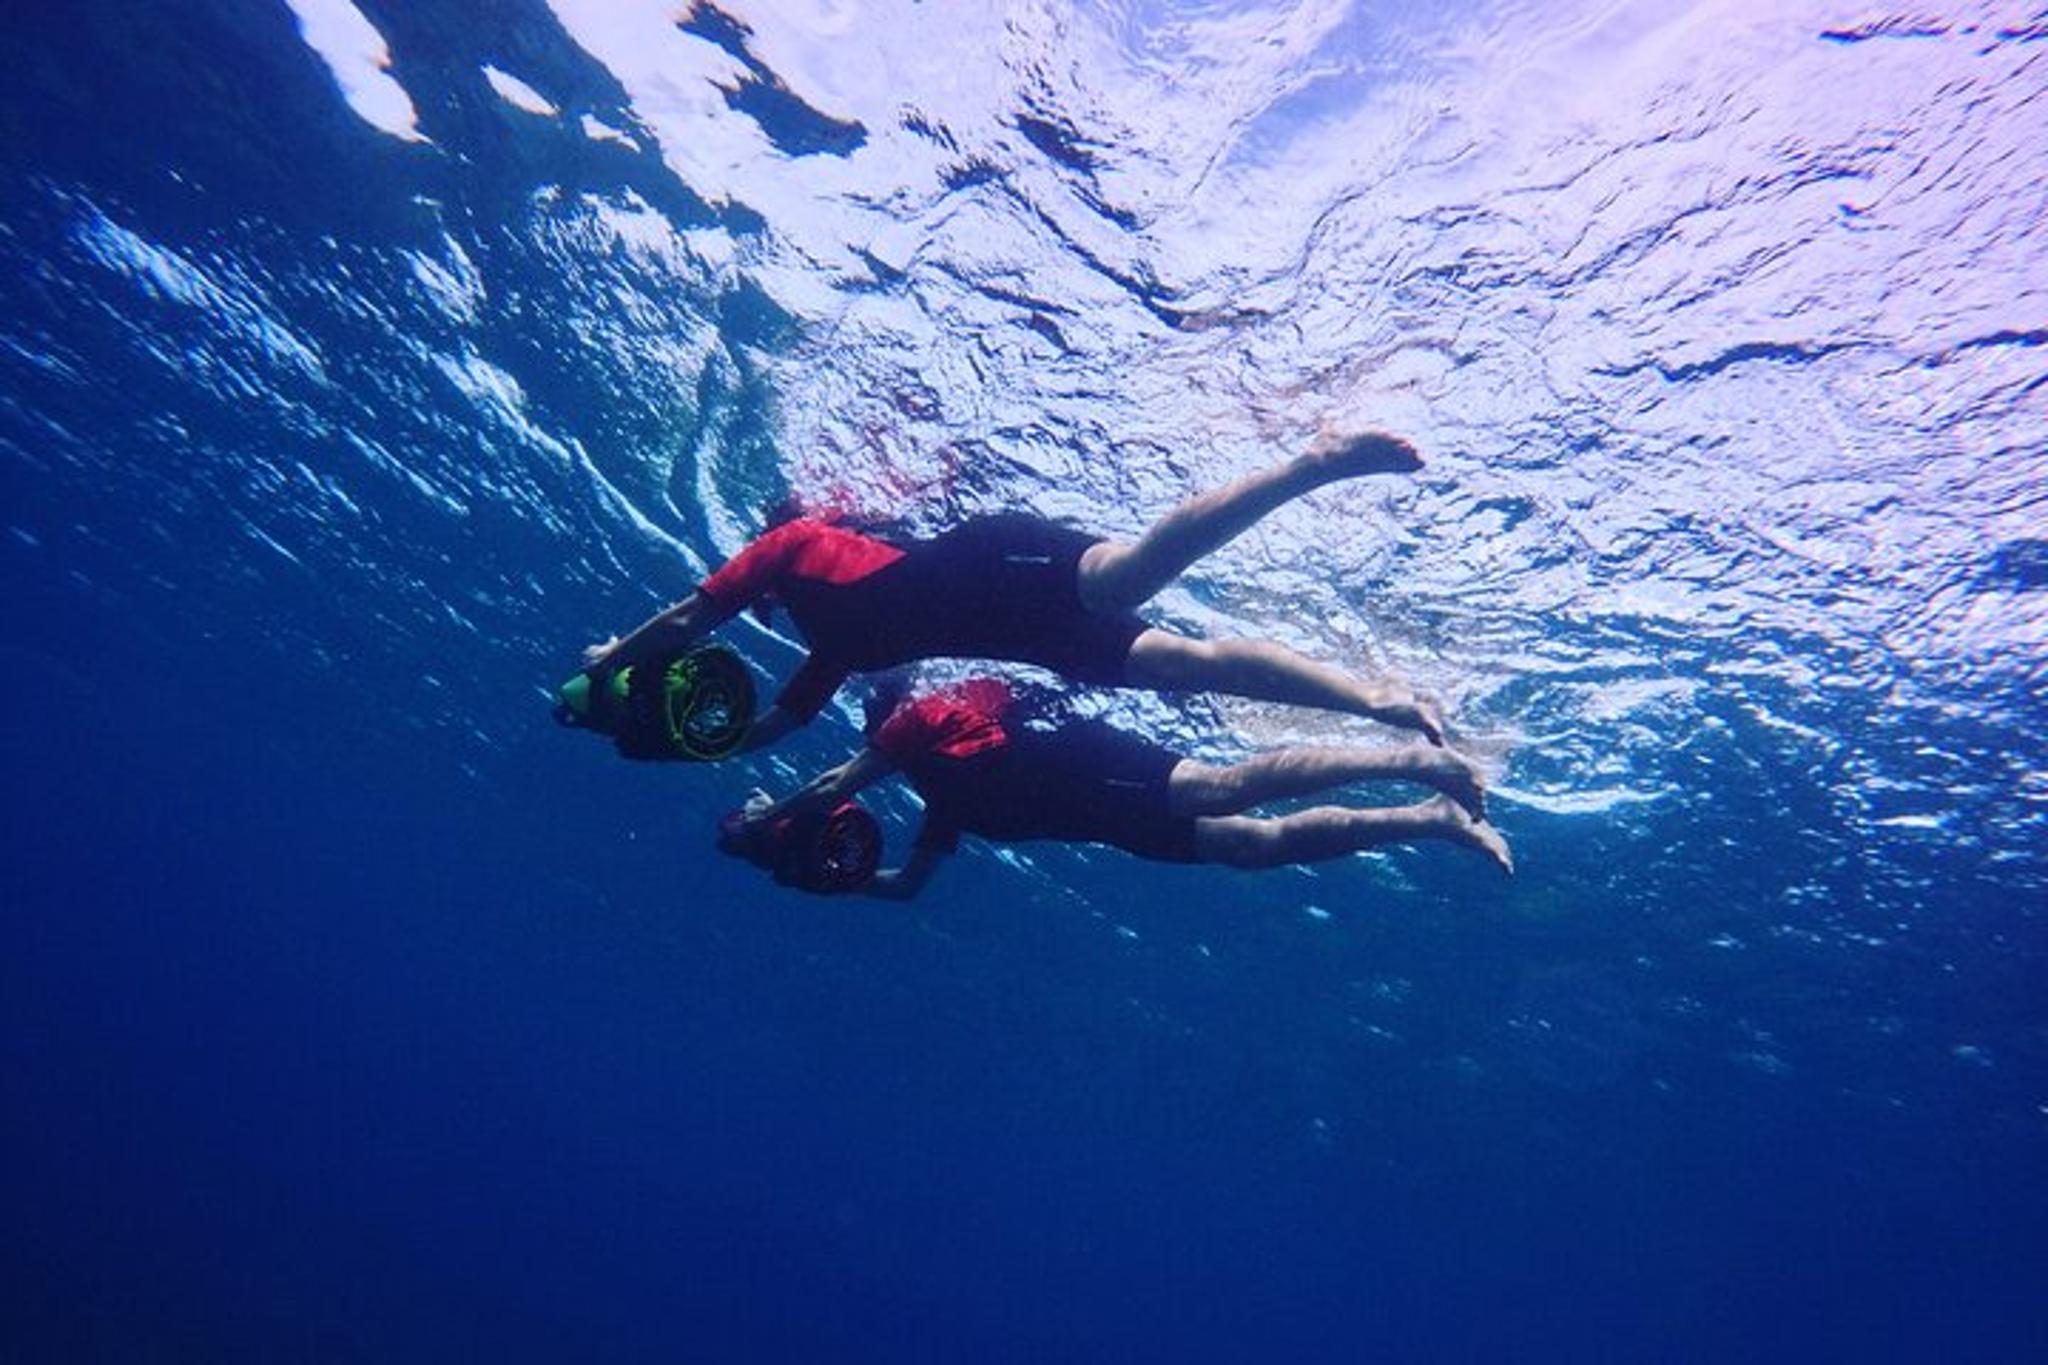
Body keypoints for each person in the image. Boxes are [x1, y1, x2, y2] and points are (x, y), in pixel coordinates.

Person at [583, 427, 1446, 755]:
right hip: (1018, 636)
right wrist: (709, 744)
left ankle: (1315, 465)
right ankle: (1375, 701)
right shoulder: (831, 652)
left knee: (1131, 579)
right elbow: (777, 720)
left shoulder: (790, 544)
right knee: (1190, 665)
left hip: (995, 560)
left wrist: (614, 657)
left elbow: (690, 615)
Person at [719, 677, 1513, 901]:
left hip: (1092, 763)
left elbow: (833, 784)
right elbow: (906, 888)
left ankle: (1414, 760)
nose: (872, 731)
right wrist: (840, 882)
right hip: (1106, 821)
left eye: (873, 719)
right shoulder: (943, 802)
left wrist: (767, 818)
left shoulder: (928, 715)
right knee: (1253, 845)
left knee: (1224, 789)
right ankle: (1433, 817)